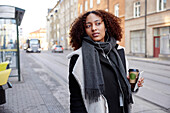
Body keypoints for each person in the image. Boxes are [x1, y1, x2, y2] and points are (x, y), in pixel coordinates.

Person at [68, 10, 144, 113]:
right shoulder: (78, 58)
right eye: (88, 26)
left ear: (106, 26)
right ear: (83, 30)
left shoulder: (119, 51)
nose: (94, 28)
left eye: (98, 23)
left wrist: (131, 85)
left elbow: (123, 88)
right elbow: (76, 99)